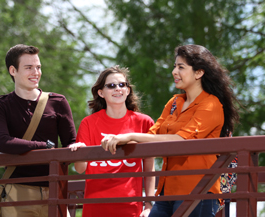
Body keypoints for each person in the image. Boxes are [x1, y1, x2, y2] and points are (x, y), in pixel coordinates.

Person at [101, 45, 240, 217]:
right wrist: (120, 139)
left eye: (181, 67)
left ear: (199, 73)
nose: (174, 71)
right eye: (175, 66)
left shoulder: (211, 105)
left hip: (197, 190)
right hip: (166, 192)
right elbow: (152, 136)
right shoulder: (174, 102)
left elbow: (181, 140)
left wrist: (129, 135)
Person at [0, 44, 76, 217]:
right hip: (18, 192)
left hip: (55, 188)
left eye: (38, 67)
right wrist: (45, 146)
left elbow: (71, 144)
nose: (36, 72)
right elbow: (3, 142)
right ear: (13, 70)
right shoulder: (0, 107)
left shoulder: (58, 102)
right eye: (29, 67)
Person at [69, 65, 156, 217]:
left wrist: (148, 205)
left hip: (131, 208)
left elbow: (149, 169)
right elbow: (80, 168)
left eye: (122, 85)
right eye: (111, 86)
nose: (118, 88)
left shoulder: (144, 122)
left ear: (128, 90)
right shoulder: (88, 123)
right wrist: (80, 151)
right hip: (95, 209)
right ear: (101, 92)